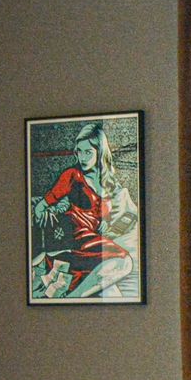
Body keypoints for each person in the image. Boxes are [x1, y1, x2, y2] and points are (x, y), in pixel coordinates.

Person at [31, 122, 135, 298]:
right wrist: (43, 214)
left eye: (88, 152)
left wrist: (106, 222)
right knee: (124, 262)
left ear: (100, 153)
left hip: (91, 238)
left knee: (111, 284)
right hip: (75, 235)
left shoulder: (108, 182)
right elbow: (42, 205)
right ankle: (72, 297)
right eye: (79, 151)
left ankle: (68, 288)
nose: (82, 157)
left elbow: (106, 213)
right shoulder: (72, 175)